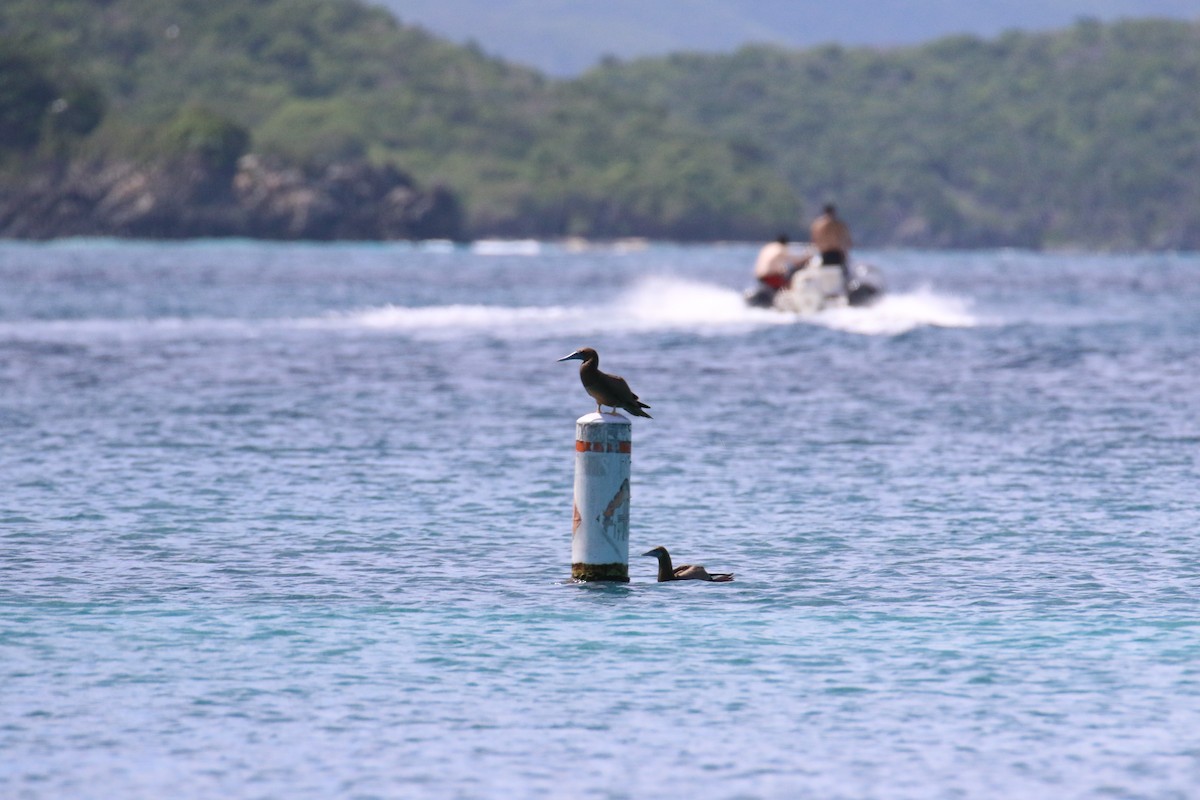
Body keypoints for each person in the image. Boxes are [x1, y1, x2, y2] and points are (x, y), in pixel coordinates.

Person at [810, 203, 852, 271]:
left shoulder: (818, 225)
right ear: (833, 212)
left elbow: (814, 240)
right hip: (837, 253)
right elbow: (848, 241)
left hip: (825, 252)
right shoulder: (840, 225)